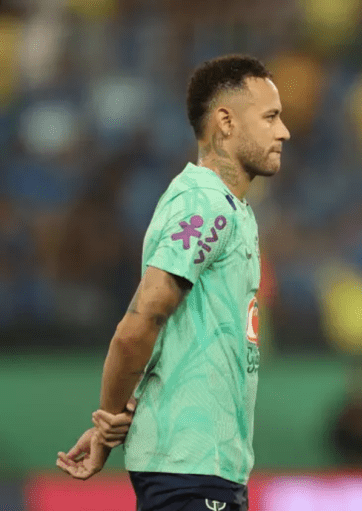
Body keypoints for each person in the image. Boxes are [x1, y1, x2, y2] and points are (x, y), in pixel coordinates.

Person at [56, 54, 290, 511]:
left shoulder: (233, 208)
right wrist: (108, 420)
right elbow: (139, 325)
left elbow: (169, 333)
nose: (283, 131)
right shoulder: (203, 203)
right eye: (270, 117)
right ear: (226, 121)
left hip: (209, 469)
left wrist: (121, 412)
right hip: (191, 470)